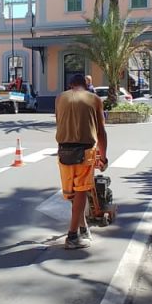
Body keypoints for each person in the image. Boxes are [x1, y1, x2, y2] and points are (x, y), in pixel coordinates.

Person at [55, 72, 108, 250]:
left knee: (73, 193)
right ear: (85, 85)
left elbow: (59, 122)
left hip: (64, 150)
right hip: (85, 151)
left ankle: (83, 227)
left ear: (70, 86)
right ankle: (72, 236)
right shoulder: (94, 99)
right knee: (81, 192)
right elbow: (101, 131)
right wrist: (104, 156)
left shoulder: (59, 98)